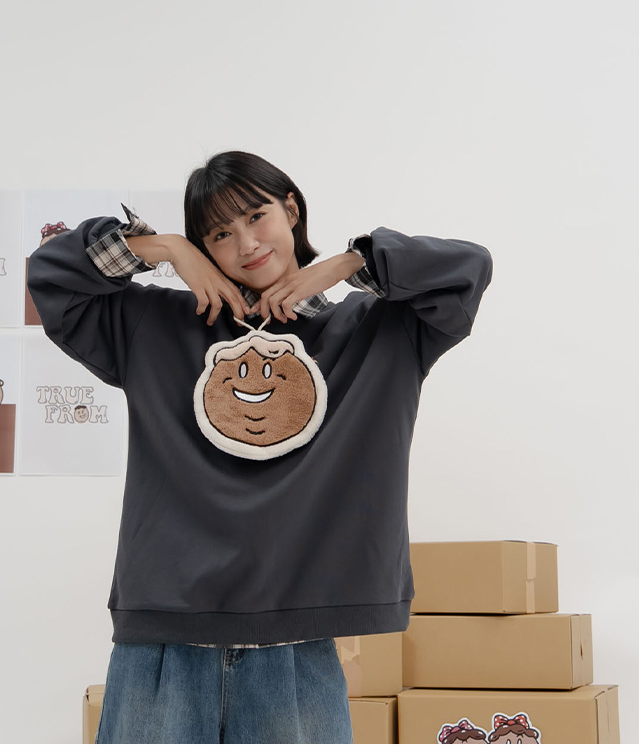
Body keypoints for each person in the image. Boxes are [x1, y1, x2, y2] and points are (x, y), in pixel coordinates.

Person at [27, 150, 493, 744]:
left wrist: (349, 262)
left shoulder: (378, 328)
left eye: (257, 216)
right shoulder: (154, 323)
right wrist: (166, 248)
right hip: (165, 636)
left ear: (291, 210)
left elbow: (467, 268)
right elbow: (52, 275)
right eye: (219, 234)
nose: (246, 244)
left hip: (298, 640)